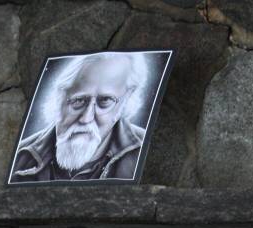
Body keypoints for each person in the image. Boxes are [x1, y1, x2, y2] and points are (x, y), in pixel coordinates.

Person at [10, 52, 149, 183]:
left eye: (105, 101)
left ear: (126, 99)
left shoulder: (146, 151)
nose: (86, 118)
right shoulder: (21, 156)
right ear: (59, 98)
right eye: (79, 100)